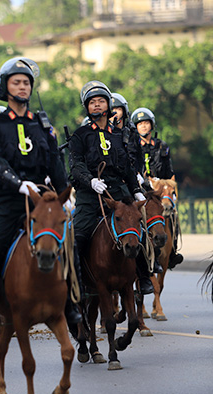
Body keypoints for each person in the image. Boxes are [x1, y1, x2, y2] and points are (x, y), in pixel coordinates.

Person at [0, 57, 71, 334]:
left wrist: (65, 195)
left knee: (69, 244)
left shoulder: (41, 123)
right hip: (8, 199)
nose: (23, 87)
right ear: (5, 87)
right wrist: (17, 183)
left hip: (41, 201)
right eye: (16, 82)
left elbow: (54, 160)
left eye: (27, 82)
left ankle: (72, 302)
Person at [68, 81, 152, 295]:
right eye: (92, 102)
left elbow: (127, 166)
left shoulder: (119, 135)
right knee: (78, 236)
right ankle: (77, 283)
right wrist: (90, 181)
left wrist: (135, 190)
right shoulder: (80, 135)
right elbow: (76, 166)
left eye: (101, 101)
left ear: (108, 105)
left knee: (140, 229)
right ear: (87, 107)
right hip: (90, 194)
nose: (97, 105)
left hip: (117, 192)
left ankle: (144, 277)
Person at [131, 107, 183, 269]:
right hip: (141, 189)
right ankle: (138, 251)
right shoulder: (132, 145)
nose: (143, 127)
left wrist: (168, 188)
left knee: (172, 215)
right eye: (140, 124)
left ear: (151, 125)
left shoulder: (162, 146)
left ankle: (172, 251)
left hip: (161, 191)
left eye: (146, 123)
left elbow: (169, 171)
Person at [110, 93, 144, 185]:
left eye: (118, 109)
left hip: (132, 176)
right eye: (112, 109)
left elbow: (139, 156)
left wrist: (139, 174)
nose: (115, 112)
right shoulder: (102, 132)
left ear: (124, 111)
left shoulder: (132, 132)